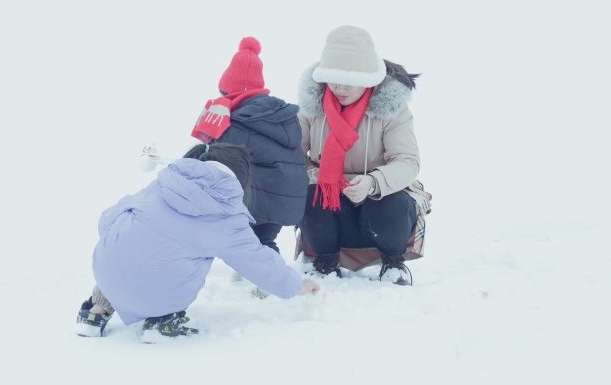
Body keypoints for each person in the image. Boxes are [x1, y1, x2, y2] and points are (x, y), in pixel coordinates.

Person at [75, 143, 319, 342]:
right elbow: (258, 262)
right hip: (158, 294)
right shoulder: (227, 215)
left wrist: (115, 241)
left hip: (105, 271)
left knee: (127, 255)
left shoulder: (162, 184)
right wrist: (296, 285)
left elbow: (108, 219)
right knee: (168, 261)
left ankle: (95, 313)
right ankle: (161, 320)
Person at [296, 25, 432, 285]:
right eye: (333, 79)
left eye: (349, 80)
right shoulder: (311, 109)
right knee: (310, 195)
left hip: (379, 206)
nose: (339, 87)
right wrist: (324, 178)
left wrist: (373, 183)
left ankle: (393, 263)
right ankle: (325, 262)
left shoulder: (393, 110)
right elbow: (294, 160)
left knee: (390, 200)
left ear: (367, 78)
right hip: (333, 206)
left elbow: (407, 162)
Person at [191, 37, 308, 253]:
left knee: (256, 245)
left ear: (229, 92)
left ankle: (270, 282)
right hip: (286, 196)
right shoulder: (278, 115)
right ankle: (258, 279)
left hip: (260, 199)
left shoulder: (238, 121)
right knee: (259, 242)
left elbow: (216, 154)